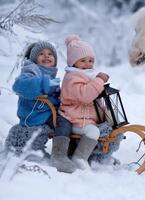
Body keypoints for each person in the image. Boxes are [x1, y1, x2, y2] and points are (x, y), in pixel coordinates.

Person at [9, 41, 76, 173]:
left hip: (46, 112)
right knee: (64, 122)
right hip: (34, 114)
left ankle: (72, 152)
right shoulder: (31, 71)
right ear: (34, 58)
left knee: (72, 118)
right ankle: (58, 156)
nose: (46, 56)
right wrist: (45, 83)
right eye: (41, 54)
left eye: (50, 54)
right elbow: (19, 86)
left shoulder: (49, 74)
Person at [59, 34, 109, 170]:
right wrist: (99, 81)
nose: (88, 64)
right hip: (74, 118)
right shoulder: (72, 78)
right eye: (83, 61)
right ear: (73, 63)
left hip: (86, 118)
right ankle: (79, 158)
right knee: (93, 132)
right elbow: (86, 95)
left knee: (109, 128)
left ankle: (100, 156)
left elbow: (95, 97)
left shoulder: (87, 76)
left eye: (91, 60)